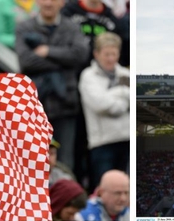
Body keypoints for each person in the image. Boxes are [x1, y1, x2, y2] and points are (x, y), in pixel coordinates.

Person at [15, 0, 87, 171]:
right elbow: (26, 61)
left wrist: (48, 52)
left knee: (65, 161)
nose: (48, 3)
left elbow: (80, 56)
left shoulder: (72, 27)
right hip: (34, 106)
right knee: (31, 160)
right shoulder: (24, 27)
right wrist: (63, 61)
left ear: (62, 3)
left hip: (66, 104)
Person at [78, 32, 129, 188]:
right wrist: (122, 96)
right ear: (96, 54)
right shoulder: (88, 76)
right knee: (104, 190)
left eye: (114, 54)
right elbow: (100, 104)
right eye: (106, 54)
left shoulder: (126, 74)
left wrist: (112, 95)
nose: (110, 59)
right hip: (102, 143)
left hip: (127, 140)